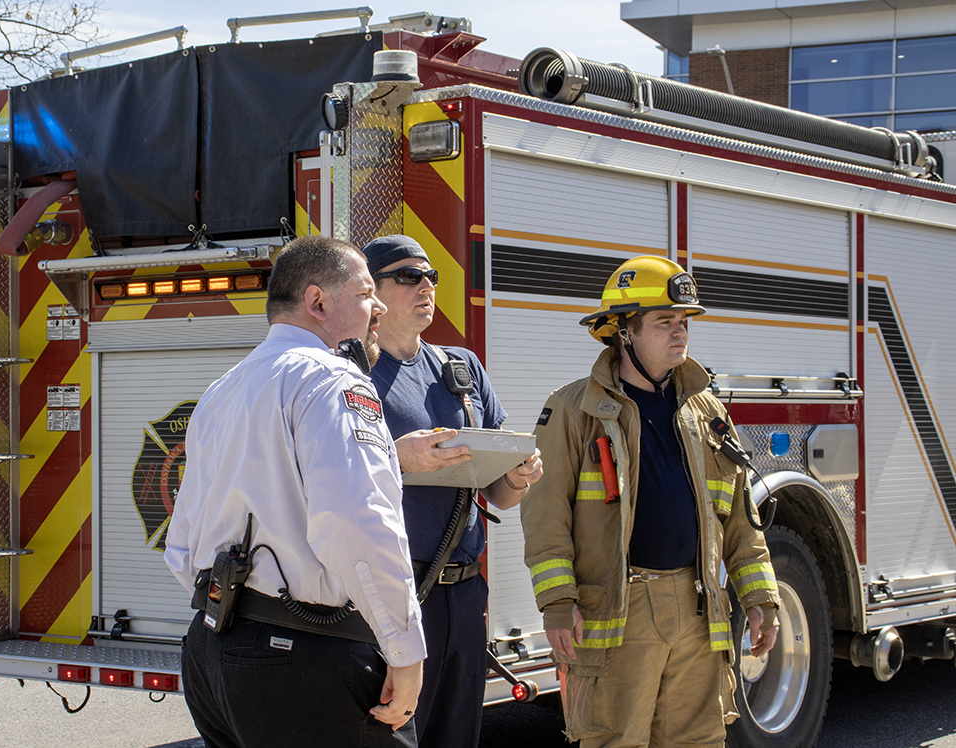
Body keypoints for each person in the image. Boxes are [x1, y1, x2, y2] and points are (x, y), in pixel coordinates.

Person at [164, 235, 426, 748]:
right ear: (318, 302)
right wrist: (404, 651)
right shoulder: (335, 381)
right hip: (307, 660)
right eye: (366, 292)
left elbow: (183, 539)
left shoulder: (223, 389)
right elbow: (358, 522)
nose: (377, 308)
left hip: (213, 649)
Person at [520, 255, 781, 748]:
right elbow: (544, 516)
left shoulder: (706, 410)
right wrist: (557, 603)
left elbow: (740, 519)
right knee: (615, 740)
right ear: (623, 332)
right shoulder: (575, 409)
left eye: (684, 322)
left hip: (699, 609)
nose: (680, 332)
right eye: (665, 322)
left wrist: (759, 597)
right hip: (621, 611)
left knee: (699, 741)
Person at [361, 235, 543, 748]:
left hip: (463, 594)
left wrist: (518, 475)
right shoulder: (351, 373)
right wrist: (397, 457)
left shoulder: (459, 369)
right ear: (371, 292)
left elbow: (500, 496)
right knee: (389, 734)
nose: (425, 285)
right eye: (407, 276)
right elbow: (320, 474)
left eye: (430, 277)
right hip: (392, 593)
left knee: (456, 737)